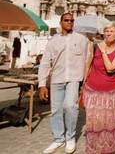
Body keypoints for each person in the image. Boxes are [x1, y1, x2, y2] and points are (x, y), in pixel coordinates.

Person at [38, 13, 88, 154]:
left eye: (71, 21)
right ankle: (58, 138)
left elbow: (87, 60)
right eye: (66, 20)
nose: (69, 23)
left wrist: (84, 82)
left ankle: (70, 137)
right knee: (56, 110)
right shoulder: (53, 41)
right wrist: (42, 84)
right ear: (61, 22)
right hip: (57, 79)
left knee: (70, 106)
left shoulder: (82, 39)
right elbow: (45, 62)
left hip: (74, 78)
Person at [83, 21, 115, 154]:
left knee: (111, 121)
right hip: (93, 89)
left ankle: (111, 147)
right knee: (95, 120)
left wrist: (104, 52)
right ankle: (96, 147)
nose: (108, 33)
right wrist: (83, 84)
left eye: (111, 31)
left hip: (112, 92)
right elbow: (88, 64)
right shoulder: (95, 46)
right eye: (106, 31)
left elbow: (111, 67)